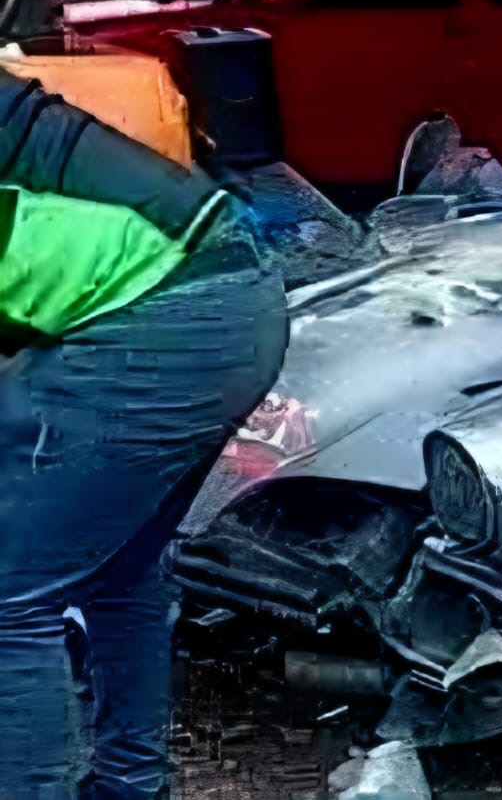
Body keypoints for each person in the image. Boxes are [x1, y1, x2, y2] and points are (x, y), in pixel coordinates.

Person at [0, 70, 288, 798]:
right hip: (232, 290)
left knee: (9, 594)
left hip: (163, 316)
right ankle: (130, 786)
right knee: (120, 569)